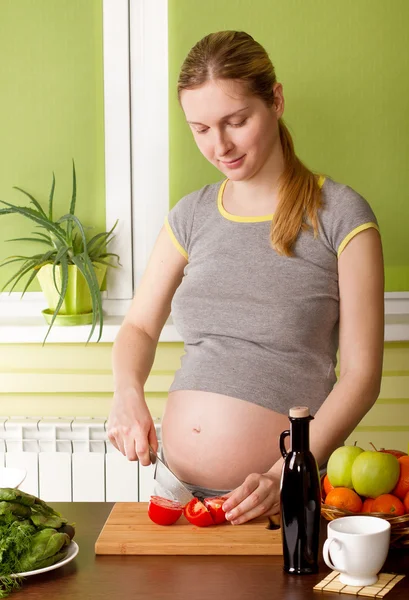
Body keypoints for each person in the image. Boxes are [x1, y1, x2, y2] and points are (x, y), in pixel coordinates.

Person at [107, 30, 384, 525]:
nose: (220, 146)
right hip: (176, 492)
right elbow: (140, 328)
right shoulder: (191, 215)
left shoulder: (341, 214)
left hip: (279, 500)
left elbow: (362, 377)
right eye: (201, 128)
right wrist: (127, 392)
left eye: (236, 121)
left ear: (275, 100)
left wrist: (288, 474)